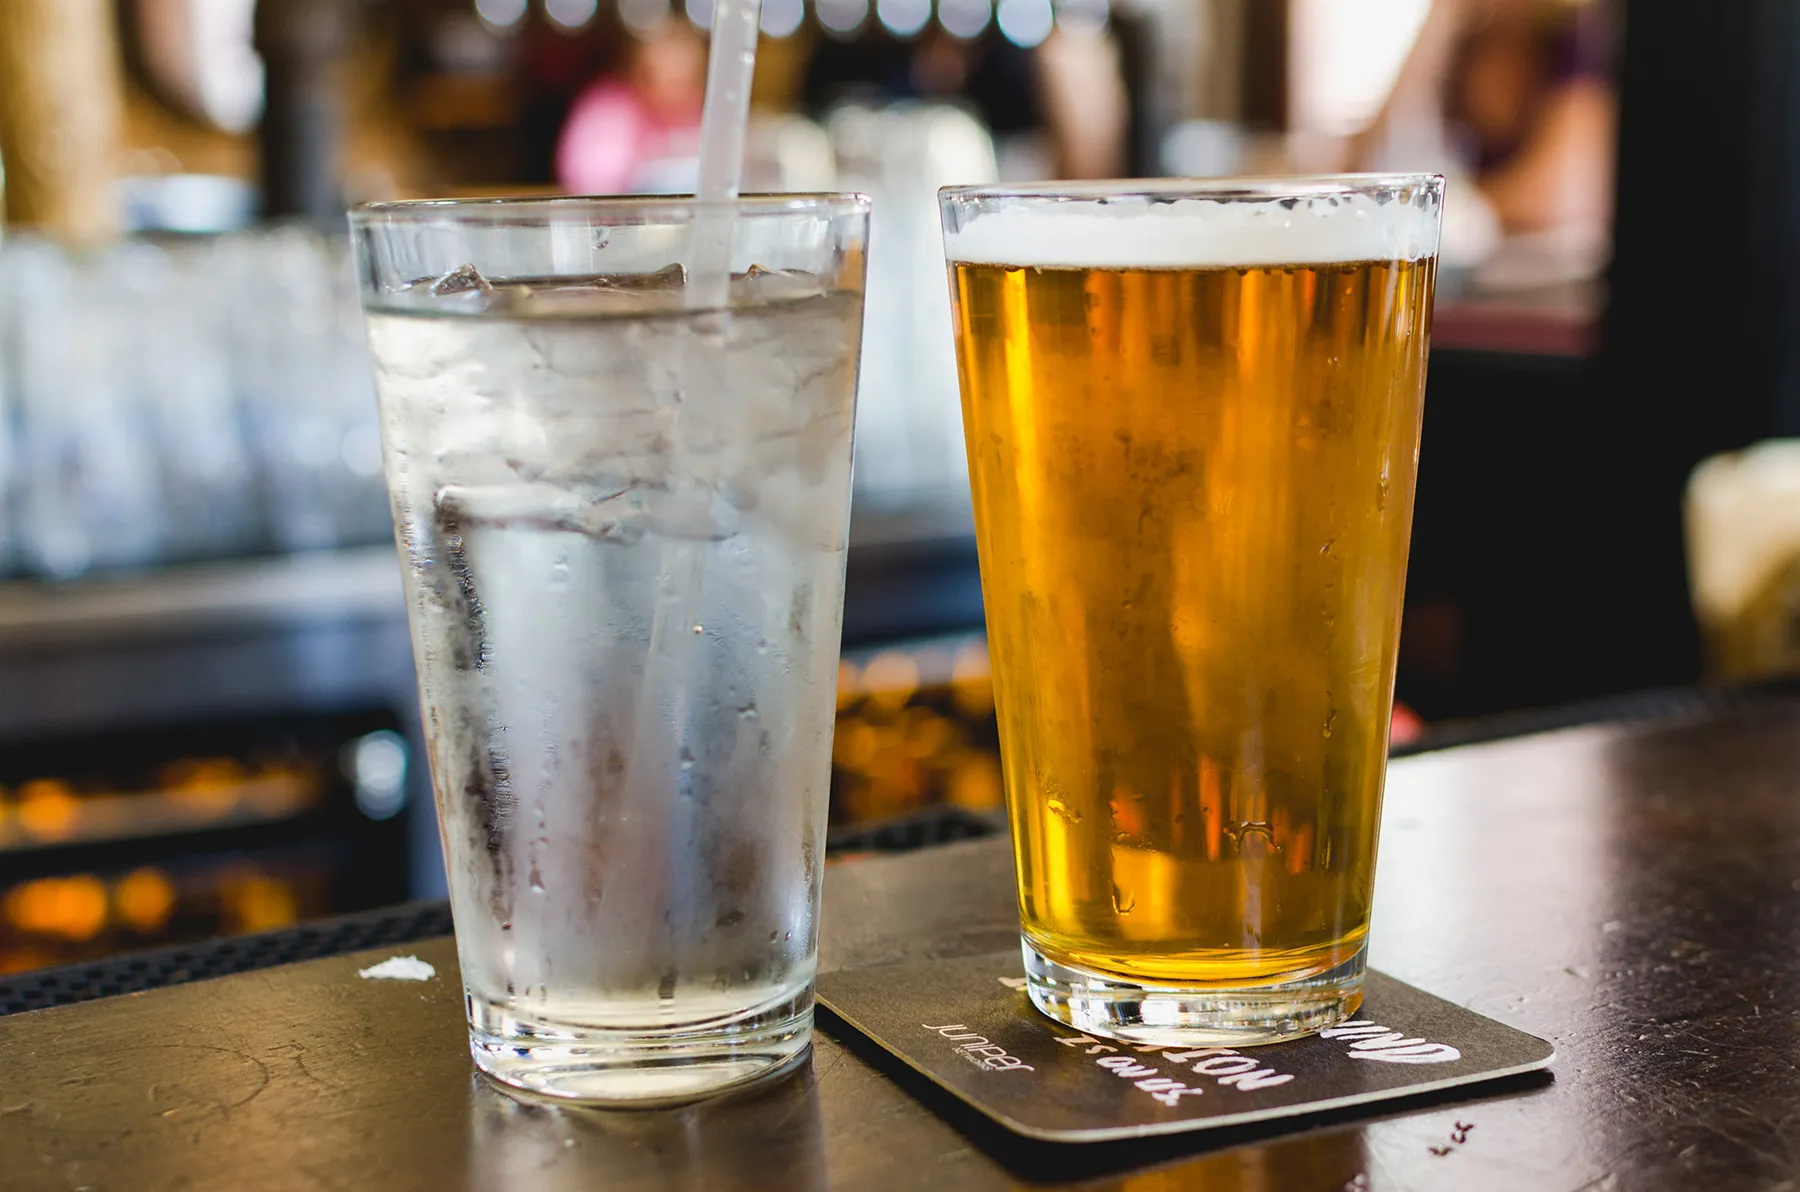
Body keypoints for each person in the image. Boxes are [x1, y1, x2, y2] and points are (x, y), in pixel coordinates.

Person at [1351, 0, 1615, 239]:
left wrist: (1441, 211)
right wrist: (1435, 25)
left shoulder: (1576, 42)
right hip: (1471, 277)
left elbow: (1555, 196)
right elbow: (1364, 171)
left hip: (1547, 277)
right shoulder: (1466, 47)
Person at [555, 21, 707, 196]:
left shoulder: (710, 120)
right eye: (666, 82)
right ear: (639, 75)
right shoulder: (606, 116)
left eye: (685, 83)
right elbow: (594, 190)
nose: (675, 94)